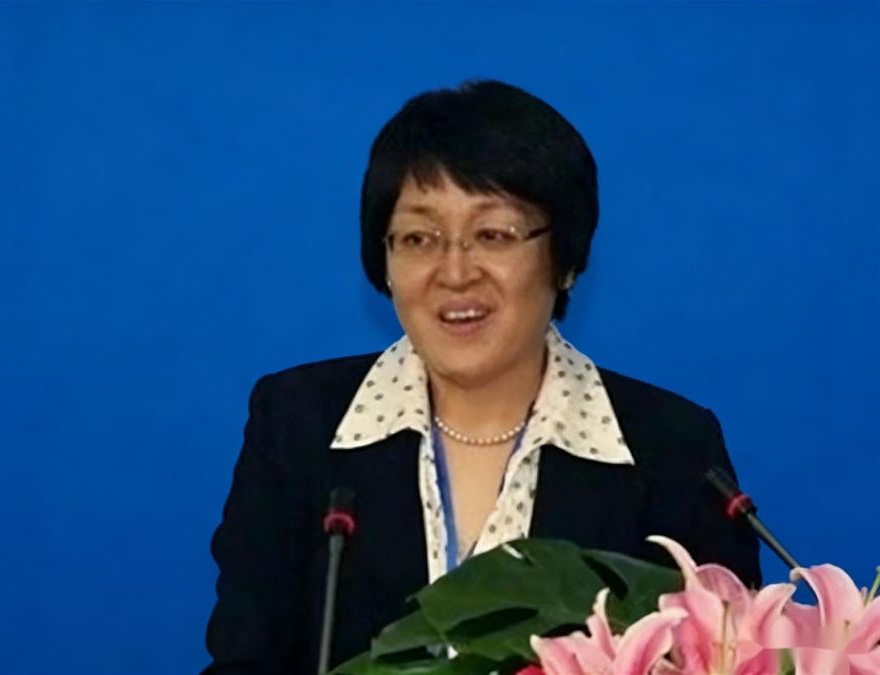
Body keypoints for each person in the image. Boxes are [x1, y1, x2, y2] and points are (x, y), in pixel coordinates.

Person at [201, 80, 761, 675]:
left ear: (566, 260)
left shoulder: (672, 451)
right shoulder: (299, 426)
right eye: (419, 238)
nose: (455, 271)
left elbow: (729, 654)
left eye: (493, 234)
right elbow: (244, 661)